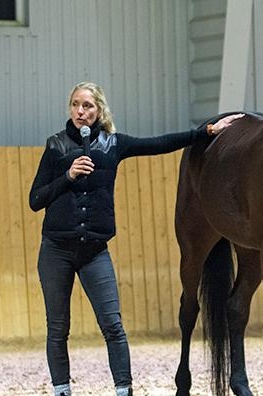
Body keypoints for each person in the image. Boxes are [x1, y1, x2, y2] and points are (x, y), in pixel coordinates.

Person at [29, 81, 243, 396]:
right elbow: (36, 199)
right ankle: (62, 389)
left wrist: (206, 132)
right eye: (75, 104)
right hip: (56, 251)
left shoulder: (113, 144)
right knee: (58, 328)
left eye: (87, 105)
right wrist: (67, 176)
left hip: (94, 252)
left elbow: (159, 143)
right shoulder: (55, 146)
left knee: (113, 326)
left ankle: (123, 389)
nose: (80, 111)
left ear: (98, 110)